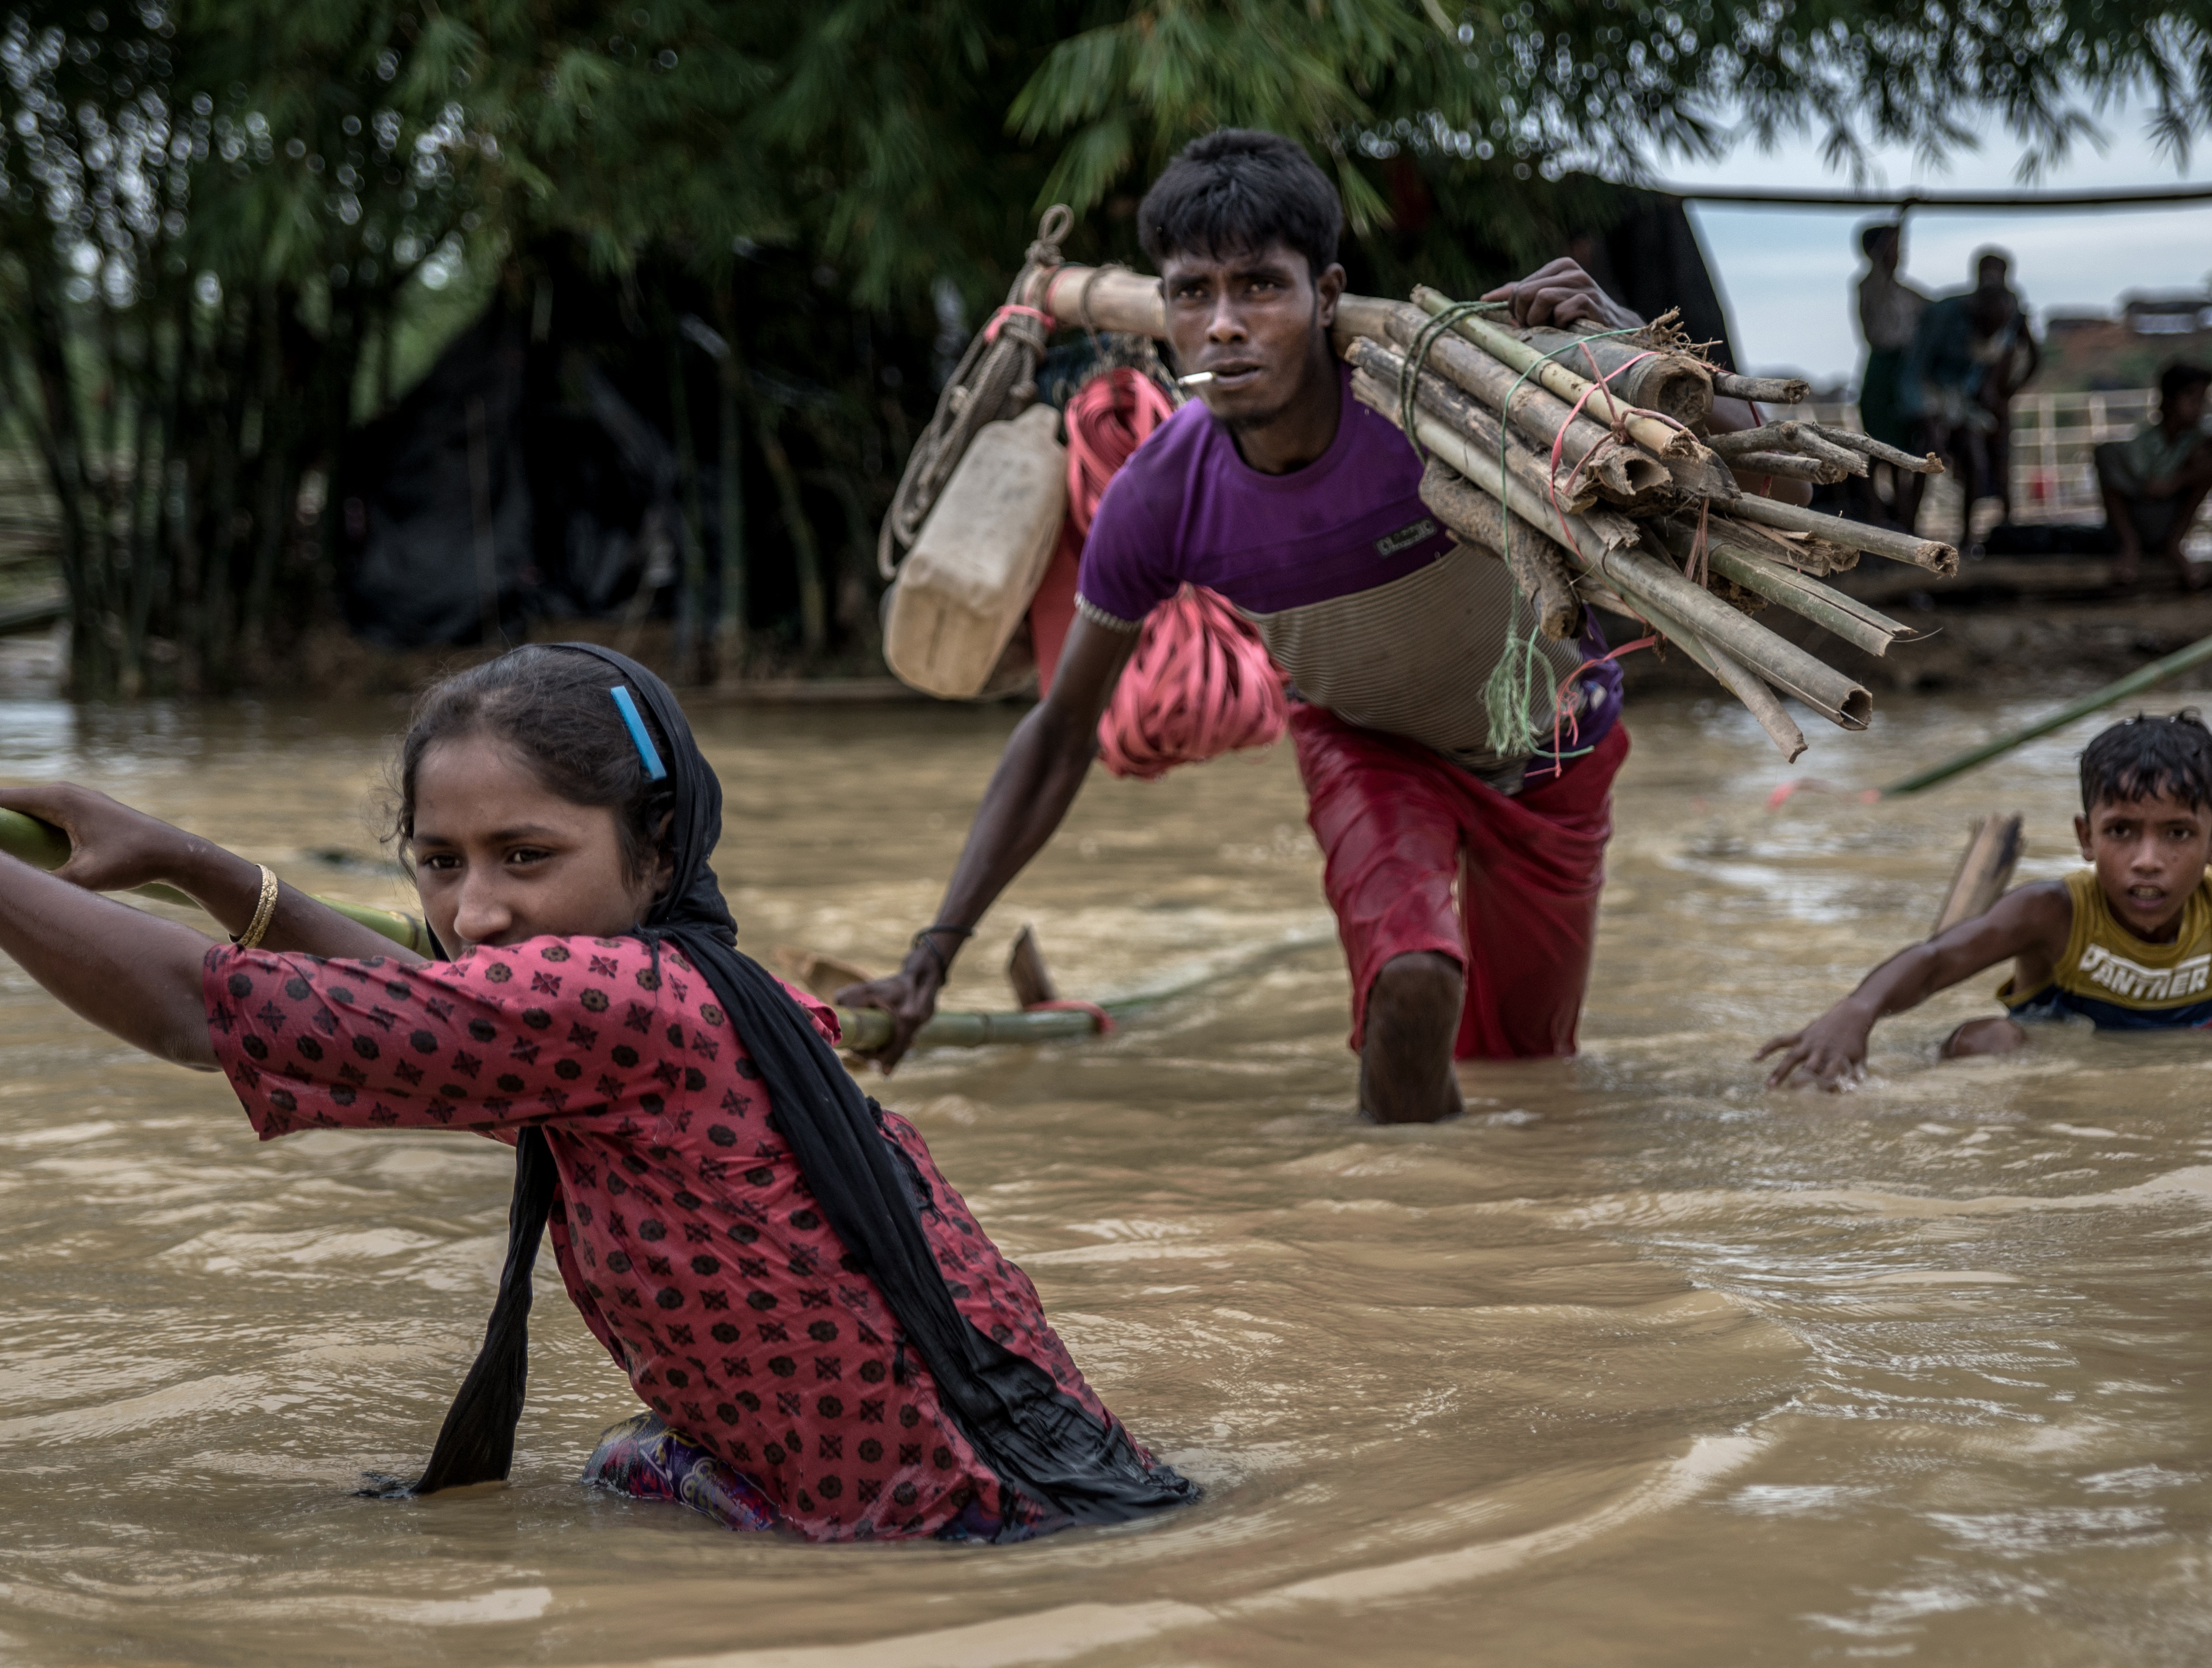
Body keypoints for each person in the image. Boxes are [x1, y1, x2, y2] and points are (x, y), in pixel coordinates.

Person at [0, 644, 1192, 1541]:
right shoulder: (710, 985)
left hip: (955, 1526)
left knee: (611, 1475)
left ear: (657, 848)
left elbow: (192, 1012)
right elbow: (426, 1009)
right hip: (1045, 1475)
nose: (473, 914)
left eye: (527, 858)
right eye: (438, 862)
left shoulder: (613, 1002)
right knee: (624, 1461)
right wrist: (186, 860)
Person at [840, 129, 1804, 1124]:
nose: (1223, 325)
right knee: (1413, 982)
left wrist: (1633, 346)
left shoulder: (1452, 407)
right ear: (1164, 313)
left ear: (1327, 296)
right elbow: (1058, 733)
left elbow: (1764, 495)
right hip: (1369, 746)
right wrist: (932, 956)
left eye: (1260, 286)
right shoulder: (1162, 495)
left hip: (1557, 745)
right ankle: (1392, 1241)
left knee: (1529, 1069)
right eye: (1191, 294)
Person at [1755, 710, 2212, 1088]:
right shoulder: (2052, 911)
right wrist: (1857, 1008)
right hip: (2046, 1069)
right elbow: (1938, 959)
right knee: (1984, 1038)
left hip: (2181, 1077)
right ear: (2085, 837)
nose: (2146, 860)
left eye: (2176, 833)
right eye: (2121, 833)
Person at [1903, 249, 2040, 546]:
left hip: (1964, 401)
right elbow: (1914, 373)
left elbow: (1994, 364)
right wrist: (1928, 419)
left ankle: (1968, 541)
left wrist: (1997, 395)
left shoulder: (2009, 314)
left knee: (1976, 459)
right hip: (1930, 393)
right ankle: (1907, 532)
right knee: (1926, 455)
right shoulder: (1941, 316)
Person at [2094, 362, 2212, 590]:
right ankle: (2130, 545)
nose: (2199, 407)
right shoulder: (2145, 442)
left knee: (2208, 460)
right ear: (2169, 401)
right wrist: (2166, 483)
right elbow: (2148, 487)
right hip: (2138, 516)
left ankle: (2174, 544)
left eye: (2202, 400)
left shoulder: (2197, 439)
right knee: (2106, 454)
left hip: (2169, 519)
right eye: (2192, 399)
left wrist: (2176, 481)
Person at [1852, 221, 1930, 530]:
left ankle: (1907, 522)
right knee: (1880, 452)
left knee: (1907, 454)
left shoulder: (1907, 293)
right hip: (1882, 378)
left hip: (1905, 377)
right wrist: (1905, 213)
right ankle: (1879, 520)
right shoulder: (1870, 285)